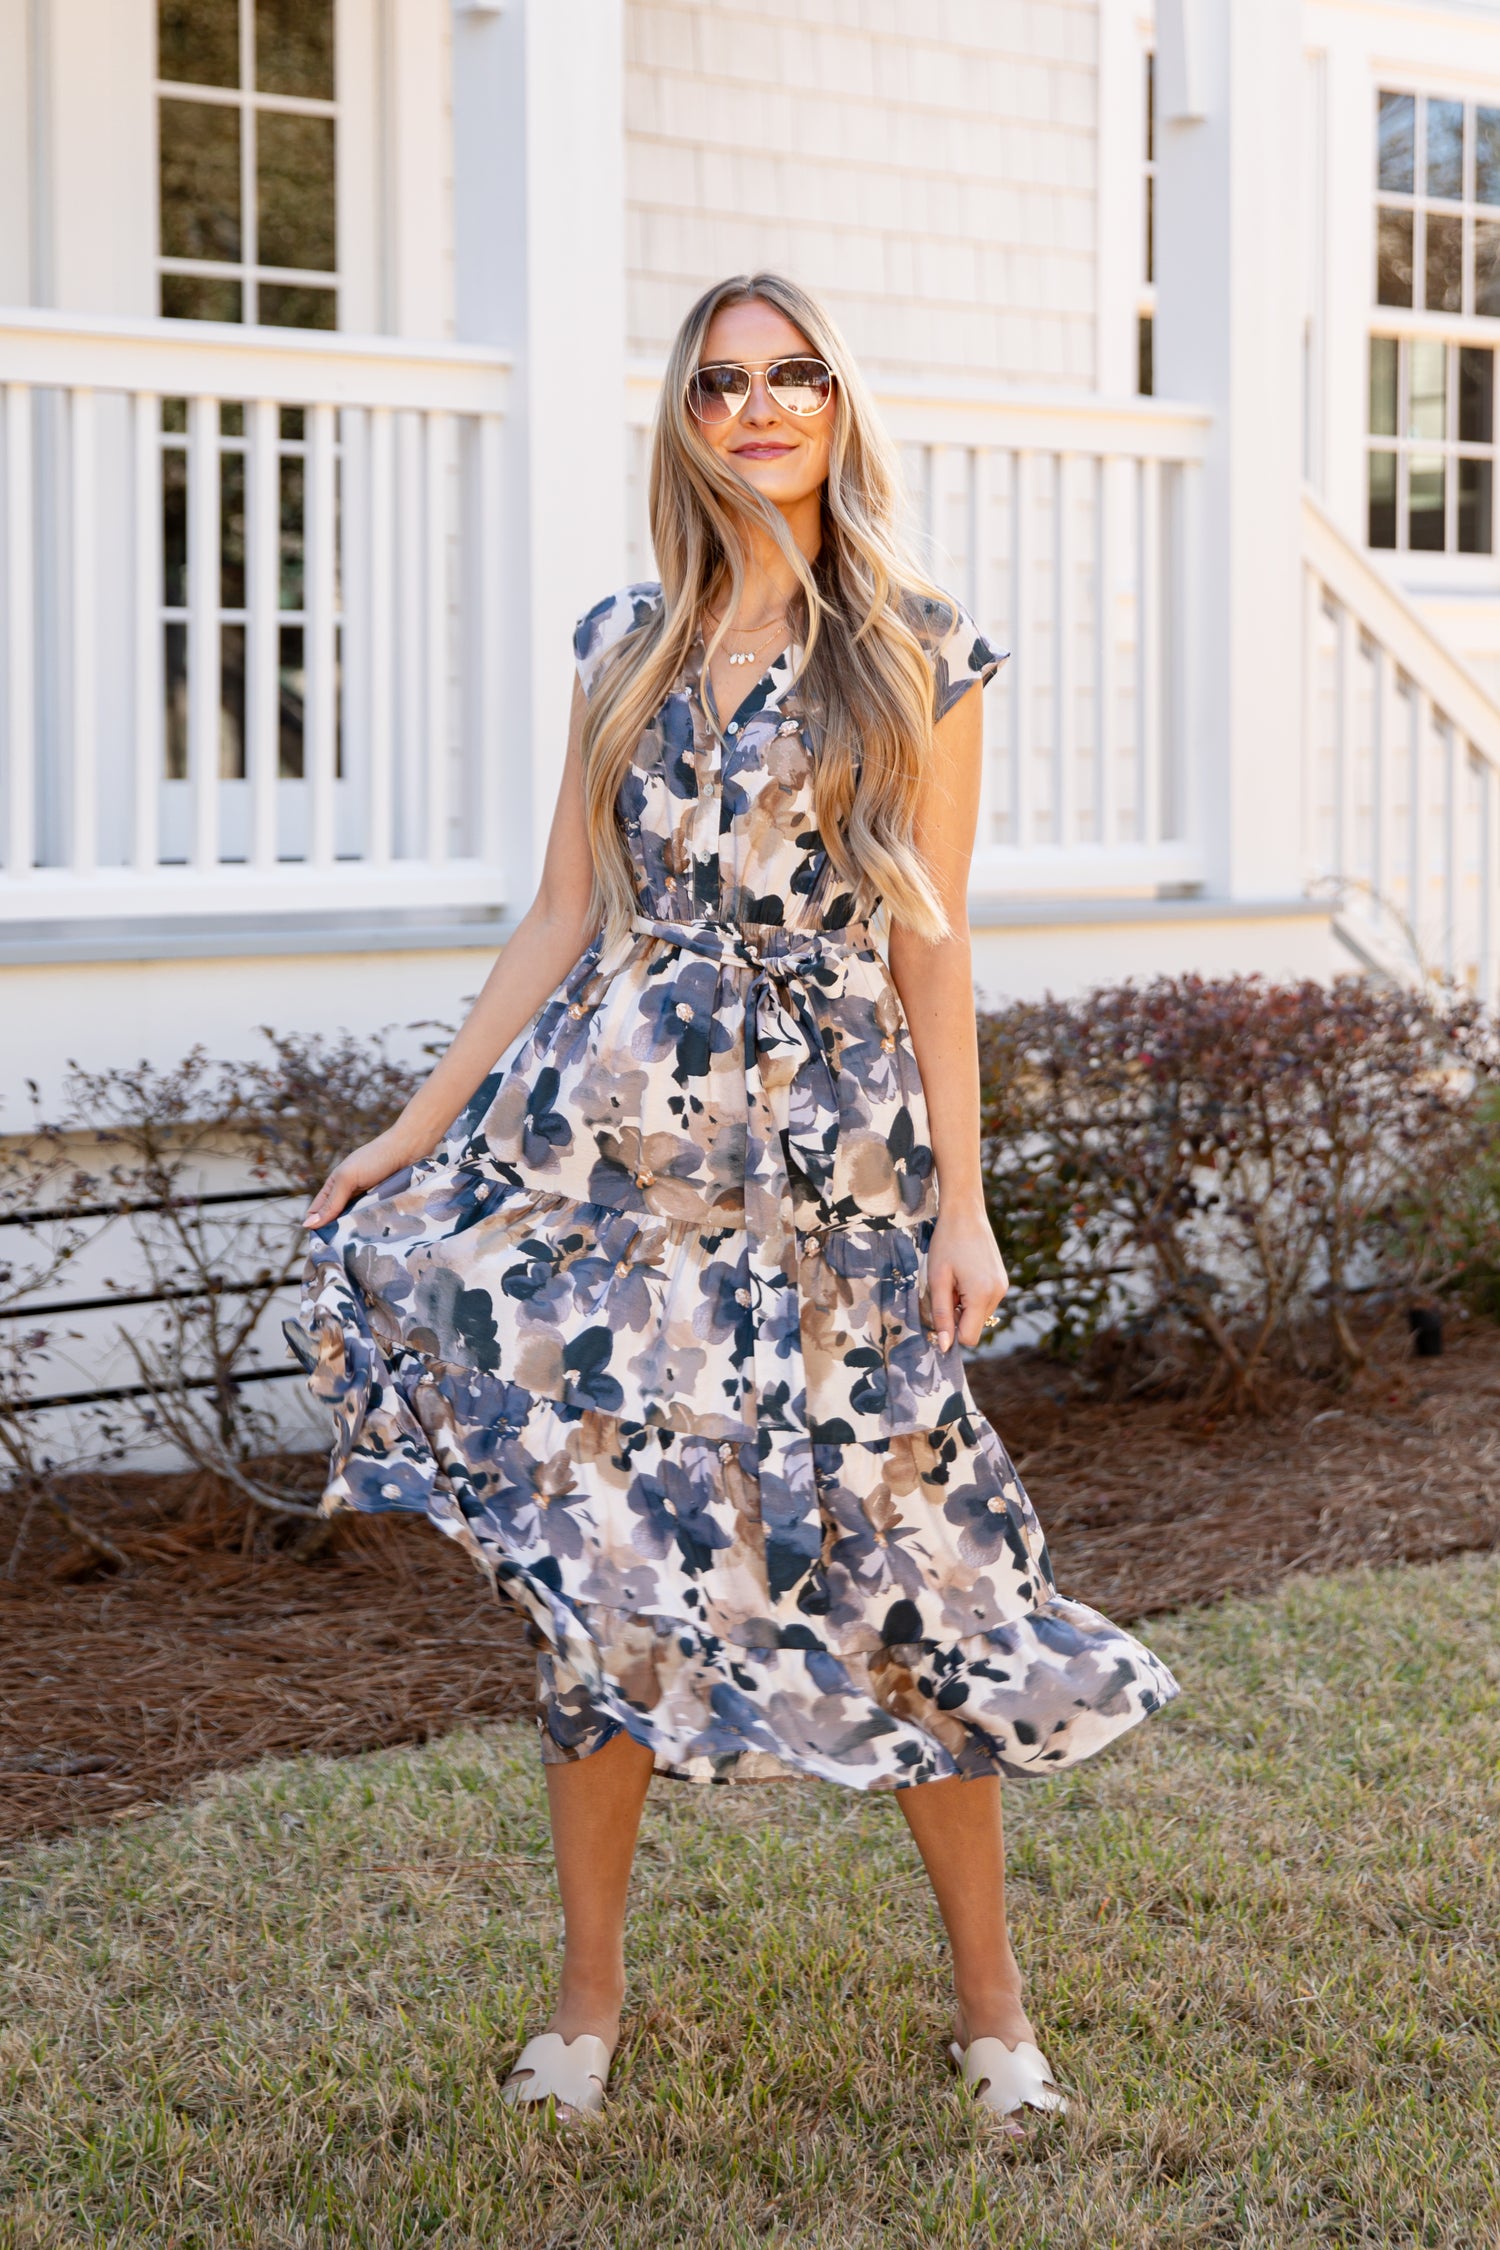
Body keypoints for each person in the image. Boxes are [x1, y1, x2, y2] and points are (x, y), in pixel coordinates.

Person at [291, 272, 1179, 2132]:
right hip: (612, 1163)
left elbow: (932, 945)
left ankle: (996, 2013)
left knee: (907, 1566)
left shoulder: (918, 648)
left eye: (792, 376)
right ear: (684, 416)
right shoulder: (625, 640)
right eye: (722, 382)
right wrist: (407, 1127)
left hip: (839, 1173)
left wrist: (967, 1205)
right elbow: (557, 914)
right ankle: (590, 2007)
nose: (759, 407)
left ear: (841, 401)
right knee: (608, 1574)